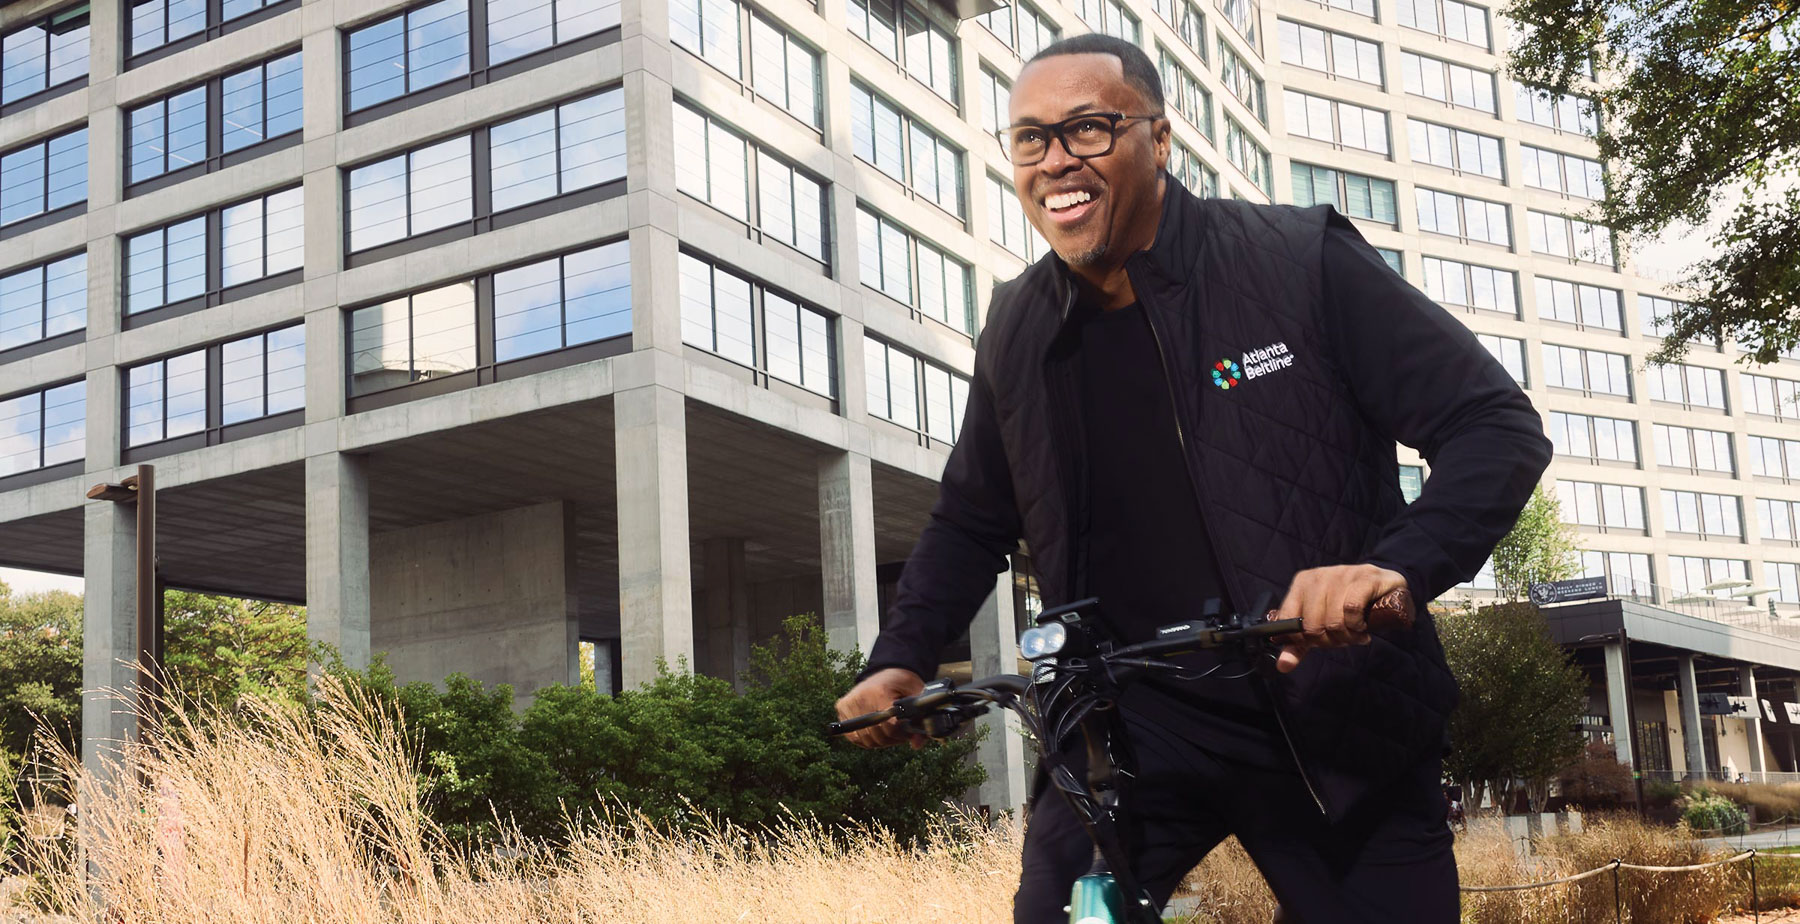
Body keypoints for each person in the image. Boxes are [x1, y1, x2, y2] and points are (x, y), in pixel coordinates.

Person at [833, 33, 1552, 924]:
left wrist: (1396, 567)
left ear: (1159, 140)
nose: (1058, 160)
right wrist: (901, 657)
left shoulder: (1296, 262)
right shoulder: (1017, 326)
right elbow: (973, 518)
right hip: (1122, 727)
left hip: (1326, 714)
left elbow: (1495, 425)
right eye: (1031, 139)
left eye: (1089, 129)